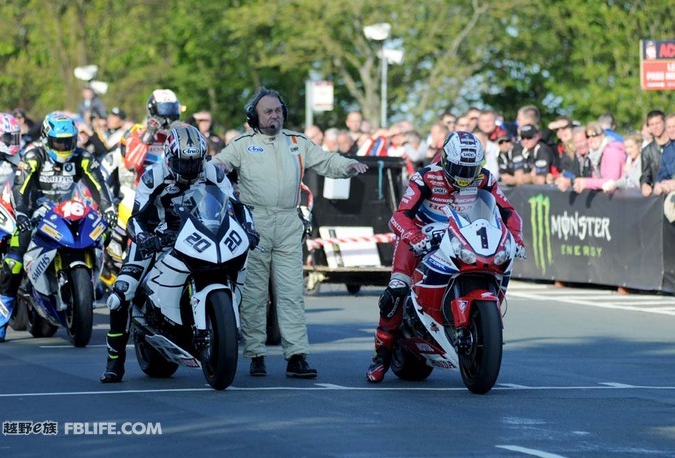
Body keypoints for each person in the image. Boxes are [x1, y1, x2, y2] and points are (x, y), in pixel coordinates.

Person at [212, 87, 368, 378]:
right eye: (268, 111)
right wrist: (214, 167)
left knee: (291, 294)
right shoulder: (242, 144)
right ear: (254, 117)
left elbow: (326, 160)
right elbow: (219, 163)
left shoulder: (297, 142)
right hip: (253, 222)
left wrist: (348, 165)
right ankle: (256, 353)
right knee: (255, 294)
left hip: (288, 222)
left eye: (278, 110)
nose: (275, 115)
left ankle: (296, 356)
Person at [100, 124, 259, 382]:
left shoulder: (213, 173)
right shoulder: (153, 177)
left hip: (200, 232)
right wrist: (145, 238)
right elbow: (135, 218)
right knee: (122, 292)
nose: (190, 169)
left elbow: (238, 207)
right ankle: (114, 362)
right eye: (183, 163)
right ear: (169, 157)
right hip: (158, 235)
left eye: (195, 162)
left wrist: (249, 230)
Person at [365, 131, 524, 383]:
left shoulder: (485, 179)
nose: (464, 177)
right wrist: (416, 237)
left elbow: (509, 213)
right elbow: (399, 216)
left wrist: (516, 238)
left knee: (494, 262)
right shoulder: (426, 177)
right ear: (446, 161)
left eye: (470, 170)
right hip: (421, 236)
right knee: (395, 291)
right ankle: (381, 356)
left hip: (461, 237)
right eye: (458, 169)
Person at [0, 112, 116, 343]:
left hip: (69, 210)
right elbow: (20, 188)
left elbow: (99, 185)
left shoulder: (82, 158)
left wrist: (108, 209)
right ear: (47, 139)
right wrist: (21, 213)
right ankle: (0, 319)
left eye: (68, 141)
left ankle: (93, 285)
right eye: (58, 141)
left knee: (105, 234)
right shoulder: (33, 157)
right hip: (35, 214)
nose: (63, 146)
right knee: (13, 261)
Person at [123, 89, 182, 185]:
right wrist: (149, 134)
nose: (168, 118)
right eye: (165, 110)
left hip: (174, 193)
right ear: (152, 110)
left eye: (172, 109)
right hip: (146, 193)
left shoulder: (178, 137)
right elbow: (132, 166)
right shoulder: (137, 133)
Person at [572, 122, 626, 193]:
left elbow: (611, 181)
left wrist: (585, 182)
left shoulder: (612, 151)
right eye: (588, 136)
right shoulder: (594, 155)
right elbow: (597, 180)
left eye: (594, 135)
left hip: (622, 196)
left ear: (602, 135)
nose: (591, 139)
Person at [640, 110, 670, 197]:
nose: (655, 127)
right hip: (658, 196)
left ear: (664, 123)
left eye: (657, 123)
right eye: (651, 124)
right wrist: (644, 185)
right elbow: (646, 175)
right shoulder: (646, 151)